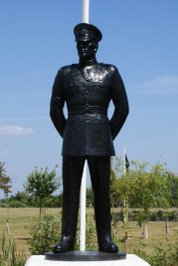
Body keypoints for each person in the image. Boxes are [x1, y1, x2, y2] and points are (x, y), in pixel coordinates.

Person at [50, 23, 129, 253]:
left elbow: (122, 108)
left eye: (86, 44)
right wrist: (68, 134)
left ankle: (105, 239)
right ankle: (67, 239)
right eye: (79, 44)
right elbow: (55, 110)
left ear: (95, 45)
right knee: (70, 193)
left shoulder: (110, 72)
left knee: (102, 194)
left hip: (101, 140)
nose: (82, 48)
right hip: (73, 138)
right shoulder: (65, 73)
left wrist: (106, 135)